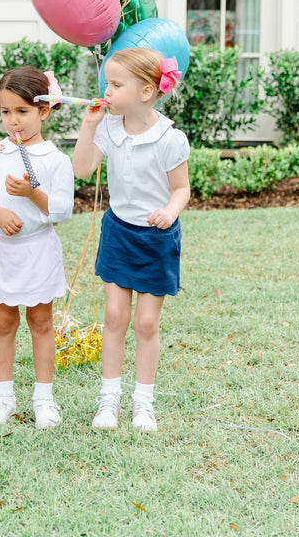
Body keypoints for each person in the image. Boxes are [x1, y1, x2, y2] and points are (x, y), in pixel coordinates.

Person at [72, 47, 190, 432]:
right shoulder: (108, 126)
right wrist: (89, 126)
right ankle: (109, 401)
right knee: (115, 317)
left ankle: (144, 403)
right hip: (119, 231)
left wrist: (169, 212)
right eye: (107, 81)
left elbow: (181, 189)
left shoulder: (170, 138)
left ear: (144, 92)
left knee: (145, 323)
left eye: (116, 84)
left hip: (156, 238)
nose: (107, 90)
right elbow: (83, 169)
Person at [0, 66, 74, 430]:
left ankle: (44, 399)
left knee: (40, 322)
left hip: (37, 251)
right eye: (6, 112)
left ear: (43, 111)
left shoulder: (56, 160)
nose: (14, 121)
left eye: (22, 112)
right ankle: (3, 398)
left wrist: (31, 193)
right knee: (3, 322)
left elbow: (61, 209)